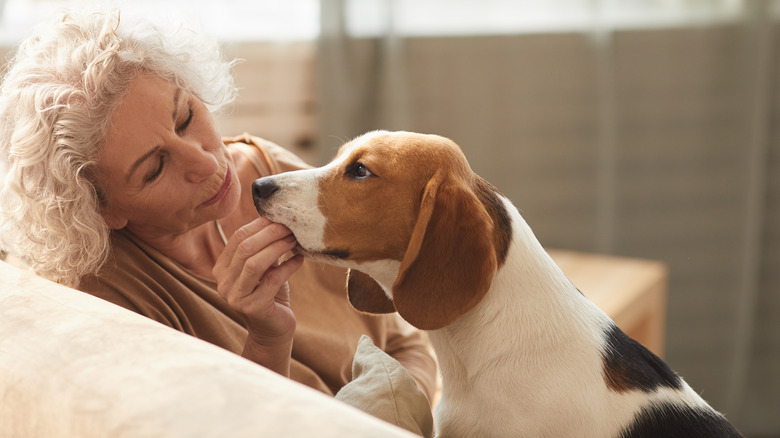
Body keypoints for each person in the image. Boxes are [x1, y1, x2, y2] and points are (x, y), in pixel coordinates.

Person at [0, 10, 436, 402]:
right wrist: (267, 342)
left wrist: (399, 418)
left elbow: (403, 340)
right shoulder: (108, 298)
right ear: (102, 209)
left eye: (186, 117)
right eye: (154, 168)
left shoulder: (267, 170)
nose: (206, 161)